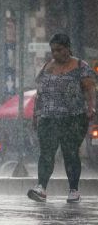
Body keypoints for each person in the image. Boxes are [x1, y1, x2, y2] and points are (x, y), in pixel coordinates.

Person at [27, 33, 96, 203]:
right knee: (46, 153)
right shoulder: (47, 67)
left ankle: (74, 190)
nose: (55, 54)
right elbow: (39, 94)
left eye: (59, 50)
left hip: (73, 118)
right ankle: (41, 188)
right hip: (48, 117)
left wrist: (90, 107)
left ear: (67, 49)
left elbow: (89, 89)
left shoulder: (80, 66)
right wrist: (36, 114)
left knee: (70, 153)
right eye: (53, 50)